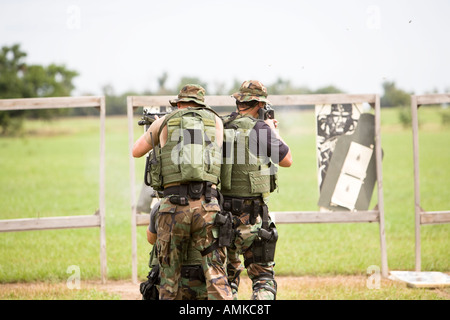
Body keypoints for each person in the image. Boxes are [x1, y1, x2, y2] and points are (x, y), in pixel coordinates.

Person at [132, 84, 232, 300]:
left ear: (178, 104)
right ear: (201, 104)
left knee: (169, 278)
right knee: (216, 274)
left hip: (173, 207)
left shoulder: (164, 122)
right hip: (208, 205)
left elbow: (136, 151)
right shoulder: (215, 122)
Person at [220, 80, 293, 300]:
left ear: (238, 102)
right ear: (260, 105)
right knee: (263, 278)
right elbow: (287, 160)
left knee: (225, 278)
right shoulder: (261, 129)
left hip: (220, 214)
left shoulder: (220, 125)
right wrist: (272, 131)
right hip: (253, 216)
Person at [143, 201, 207, 300]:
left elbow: (151, 239)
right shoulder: (211, 207)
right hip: (204, 280)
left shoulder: (161, 207)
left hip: (170, 284)